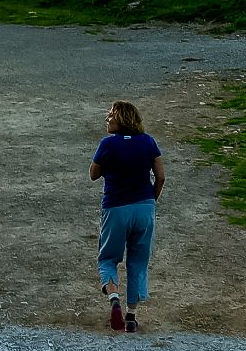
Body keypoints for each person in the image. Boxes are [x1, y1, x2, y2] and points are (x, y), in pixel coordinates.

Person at [89, 99, 163, 332]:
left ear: (122, 119)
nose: (107, 118)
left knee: (108, 258)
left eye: (111, 114)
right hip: (144, 207)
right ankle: (131, 316)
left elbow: (93, 174)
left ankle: (114, 300)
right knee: (138, 261)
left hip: (116, 208)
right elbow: (161, 176)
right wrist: (151, 200)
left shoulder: (107, 144)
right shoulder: (149, 142)